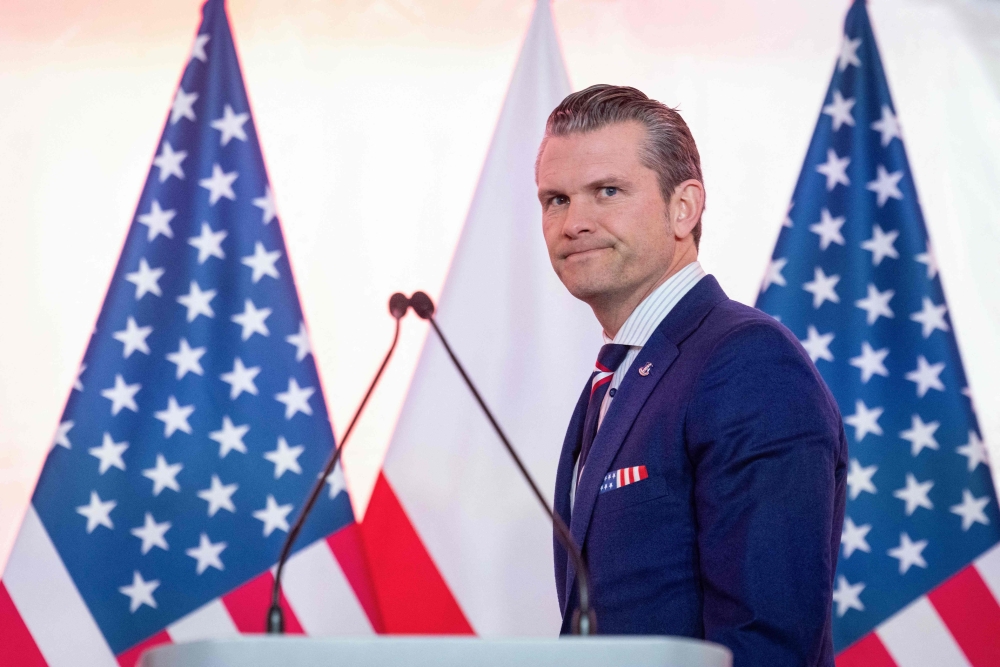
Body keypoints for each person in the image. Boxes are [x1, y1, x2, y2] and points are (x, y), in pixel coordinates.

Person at [536, 84, 847, 666]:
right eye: (556, 199)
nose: (574, 221)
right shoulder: (619, 374)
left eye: (607, 191)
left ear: (685, 207)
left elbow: (766, 641)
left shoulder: (747, 363)